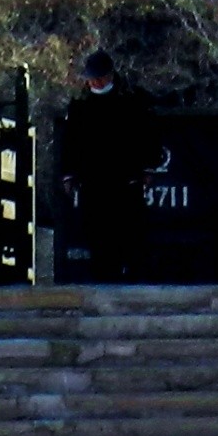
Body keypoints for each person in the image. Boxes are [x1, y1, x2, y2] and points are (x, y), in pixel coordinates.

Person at [62, 49, 157, 279]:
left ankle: (127, 279)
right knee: (97, 238)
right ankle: (103, 278)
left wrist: (147, 168)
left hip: (125, 181)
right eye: (92, 77)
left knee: (128, 236)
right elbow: (71, 143)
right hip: (92, 182)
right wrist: (69, 174)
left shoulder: (130, 102)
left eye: (99, 76)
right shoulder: (80, 107)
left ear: (109, 75)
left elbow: (147, 137)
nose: (95, 81)